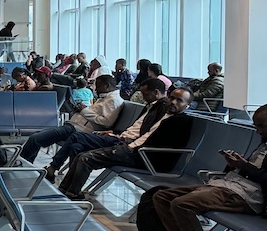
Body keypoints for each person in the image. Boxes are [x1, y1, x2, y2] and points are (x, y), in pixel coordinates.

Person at [152, 104, 267, 231]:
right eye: (256, 126)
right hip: (229, 186)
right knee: (161, 197)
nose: (258, 131)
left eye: (262, 126)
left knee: (181, 204)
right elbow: (251, 170)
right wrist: (235, 164)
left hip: (247, 197)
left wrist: (245, 166)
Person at [58, 84, 194, 198]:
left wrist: (132, 147)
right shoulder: (165, 116)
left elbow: (162, 145)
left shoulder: (181, 121)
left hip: (145, 157)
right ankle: (65, 190)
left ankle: (72, 193)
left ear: (187, 105)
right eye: (172, 98)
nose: (173, 102)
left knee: (86, 158)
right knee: (82, 155)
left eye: (179, 100)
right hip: (135, 149)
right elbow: (144, 133)